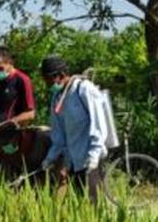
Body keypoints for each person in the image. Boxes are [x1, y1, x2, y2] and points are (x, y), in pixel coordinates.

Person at [39, 56, 110, 205]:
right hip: (74, 162)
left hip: (92, 160)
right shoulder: (57, 98)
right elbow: (59, 134)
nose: (47, 84)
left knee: (94, 204)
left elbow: (98, 123)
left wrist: (94, 155)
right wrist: (50, 158)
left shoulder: (83, 89)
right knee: (79, 204)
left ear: (61, 75)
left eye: (48, 80)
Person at [0, 48, 37, 182]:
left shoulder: (22, 80)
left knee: (6, 176)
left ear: (10, 62)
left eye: (0, 68)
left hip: (12, 136)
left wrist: (1, 125)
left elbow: (30, 113)